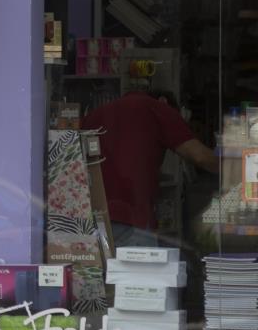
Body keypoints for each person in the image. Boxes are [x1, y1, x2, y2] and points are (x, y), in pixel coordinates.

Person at [82, 90, 218, 246]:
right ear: (164, 101)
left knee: (98, 270)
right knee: (140, 269)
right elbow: (200, 156)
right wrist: (239, 167)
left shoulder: (94, 115)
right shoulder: (157, 108)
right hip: (133, 218)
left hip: (91, 218)